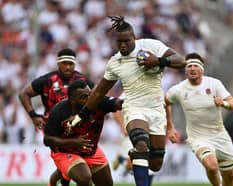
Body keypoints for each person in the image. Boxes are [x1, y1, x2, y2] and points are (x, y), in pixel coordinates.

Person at [67, 16, 184, 186]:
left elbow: (181, 61)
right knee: (142, 144)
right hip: (134, 109)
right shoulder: (115, 62)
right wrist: (81, 115)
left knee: (156, 164)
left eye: (126, 41)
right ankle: (137, 152)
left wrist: (158, 61)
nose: (122, 45)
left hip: (156, 109)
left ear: (134, 38)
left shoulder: (151, 46)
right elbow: (99, 91)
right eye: (119, 42)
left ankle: (133, 155)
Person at [18, 48, 94, 186]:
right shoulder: (47, 80)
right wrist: (33, 115)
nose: (68, 67)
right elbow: (24, 93)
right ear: (58, 64)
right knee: (68, 158)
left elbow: (96, 98)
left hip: (79, 126)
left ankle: (55, 182)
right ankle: (59, 181)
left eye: (71, 64)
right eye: (64, 63)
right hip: (54, 128)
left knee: (76, 159)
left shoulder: (83, 81)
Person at [165, 53, 233, 186]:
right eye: (189, 66)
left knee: (229, 180)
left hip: (220, 135)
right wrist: (170, 127)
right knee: (211, 166)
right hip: (198, 138)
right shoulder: (179, 89)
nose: (192, 68)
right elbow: (165, 102)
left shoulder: (214, 84)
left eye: (195, 66)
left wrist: (223, 103)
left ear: (202, 69)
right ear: (186, 70)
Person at [43, 80, 123, 186]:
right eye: (83, 97)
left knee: (107, 184)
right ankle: (63, 172)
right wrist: (73, 142)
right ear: (72, 100)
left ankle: (62, 174)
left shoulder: (98, 102)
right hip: (65, 152)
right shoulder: (59, 111)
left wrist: (128, 102)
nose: (88, 100)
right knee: (84, 178)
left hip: (91, 151)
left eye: (89, 95)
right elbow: (47, 140)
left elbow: (117, 103)